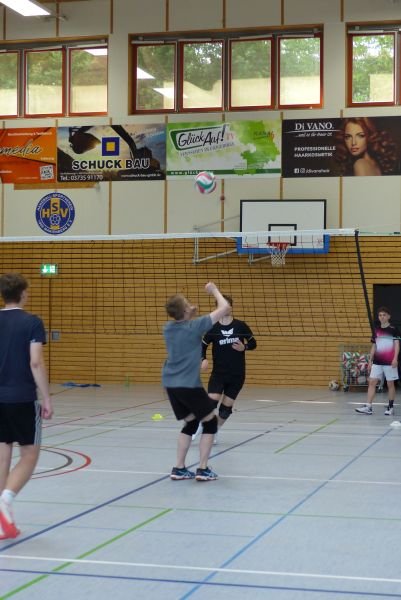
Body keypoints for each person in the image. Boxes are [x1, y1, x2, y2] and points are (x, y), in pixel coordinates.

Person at [0, 273, 53, 539]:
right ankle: (5, 500)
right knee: (30, 454)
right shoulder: (32, 322)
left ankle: (1, 520)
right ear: (22, 293)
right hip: (21, 397)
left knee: (2, 454)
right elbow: (35, 362)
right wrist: (46, 397)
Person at [162, 282, 229, 482]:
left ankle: (179, 468)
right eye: (187, 303)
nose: (191, 304)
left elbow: (181, 321)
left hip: (171, 384)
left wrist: (188, 312)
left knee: (190, 422)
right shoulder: (195, 326)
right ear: (185, 310)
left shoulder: (168, 328)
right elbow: (225, 307)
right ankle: (203, 468)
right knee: (210, 423)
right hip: (188, 385)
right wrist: (214, 290)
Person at [192, 295, 256, 442]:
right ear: (218, 308)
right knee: (211, 403)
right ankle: (199, 425)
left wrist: (245, 347)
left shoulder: (240, 326)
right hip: (219, 373)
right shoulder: (213, 327)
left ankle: (214, 430)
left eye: (228, 305)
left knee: (225, 410)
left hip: (237, 374)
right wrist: (203, 359)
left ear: (231, 307)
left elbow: (253, 343)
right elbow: (202, 346)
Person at [355, 307, 399, 416]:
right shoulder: (376, 330)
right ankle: (368, 407)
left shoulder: (394, 329)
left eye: (384, 315)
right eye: (380, 315)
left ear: (388, 316)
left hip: (389, 362)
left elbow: (397, 345)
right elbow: (374, 346)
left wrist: (395, 358)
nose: (382, 317)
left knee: (390, 384)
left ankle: (390, 407)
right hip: (377, 362)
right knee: (372, 382)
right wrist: (370, 361)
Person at [333, 117, 399, 176]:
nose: (353, 143)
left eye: (360, 136)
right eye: (348, 137)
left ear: (370, 136)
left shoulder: (360, 164)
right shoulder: (374, 163)